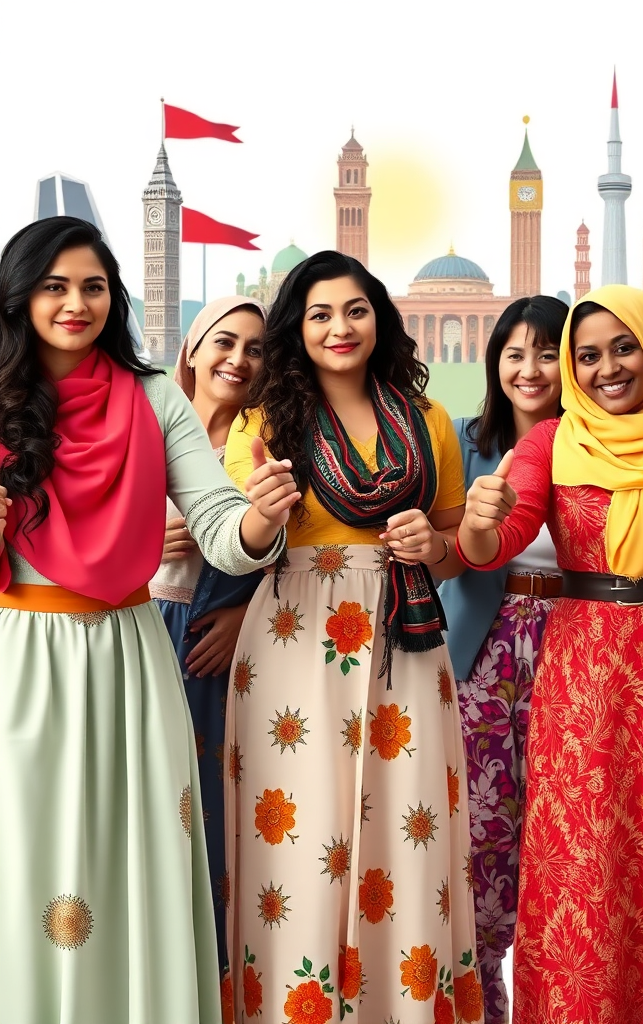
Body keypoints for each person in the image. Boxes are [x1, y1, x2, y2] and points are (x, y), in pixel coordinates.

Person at [0, 216, 294, 1023]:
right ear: (20, 296)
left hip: (131, 661)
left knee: (138, 861)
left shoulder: (155, 397)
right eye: (55, 286)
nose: (76, 303)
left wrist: (260, 520)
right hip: (24, 662)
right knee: (30, 861)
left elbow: (220, 527)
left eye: (93, 287)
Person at [457, 285, 643, 1024]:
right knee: (584, 861)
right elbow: (497, 543)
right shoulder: (552, 440)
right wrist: (479, 523)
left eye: (624, 348)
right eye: (589, 356)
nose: (608, 369)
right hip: (584, 668)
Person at [223, 251, 480, 1024]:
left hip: (408, 640)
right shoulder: (261, 424)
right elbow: (238, 545)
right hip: (297, 642)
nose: (341, 327)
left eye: (356, 309)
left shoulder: (427, 418)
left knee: (410, 832)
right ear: (296, 329)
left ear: (380, 318)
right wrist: (264, 512)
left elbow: (452, 548)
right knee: (300, 840)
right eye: (321, 314)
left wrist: (433, 546)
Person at [437, 294, 568, 1024]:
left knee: (565, 828)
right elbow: (443, 551)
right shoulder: (466, 441)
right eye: (515, 354)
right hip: (482, 652)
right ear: (494, 364)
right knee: (481, 832)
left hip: (575, 648)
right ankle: (481, 1003)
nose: (530, 369)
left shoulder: (597, 448)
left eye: (548, 352)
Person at [151, 295, 268, 978]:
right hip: (141, 631)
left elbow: (294, 548)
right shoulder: (146, 429)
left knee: (214, 814)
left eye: (255, 349)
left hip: (219, 648)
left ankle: (215, 981)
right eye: (224, 342)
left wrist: (245, 613)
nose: (238, 359)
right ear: (191, 350)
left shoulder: (266, 444)